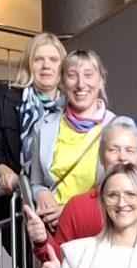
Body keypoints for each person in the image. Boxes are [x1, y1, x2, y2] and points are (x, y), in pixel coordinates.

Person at [0, 32, 68, 253]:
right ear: (28, 64)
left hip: (63, 208)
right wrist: (5, 172)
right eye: (38, 59)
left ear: (63, 67)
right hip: (19, 209)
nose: (46, 66)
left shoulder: (73, 107)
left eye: (53, 60)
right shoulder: (2, 103)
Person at [46, 120, 137, 253]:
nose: (122, 158)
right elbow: (59, 261)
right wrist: (42, 241)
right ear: (101, 156)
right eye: (114, 150)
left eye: (130, 150)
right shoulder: (76, 207)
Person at [40, 47, 115, 206]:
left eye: (88, 75)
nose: (81, 84)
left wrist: (70, 210)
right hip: (54, 220)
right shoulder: (43, 128)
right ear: (62, 82)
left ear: (101, 80)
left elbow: (124, 185)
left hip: (98, 218)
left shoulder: (119, 126)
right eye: (72, 75)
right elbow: (36, 182)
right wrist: (41, 193)